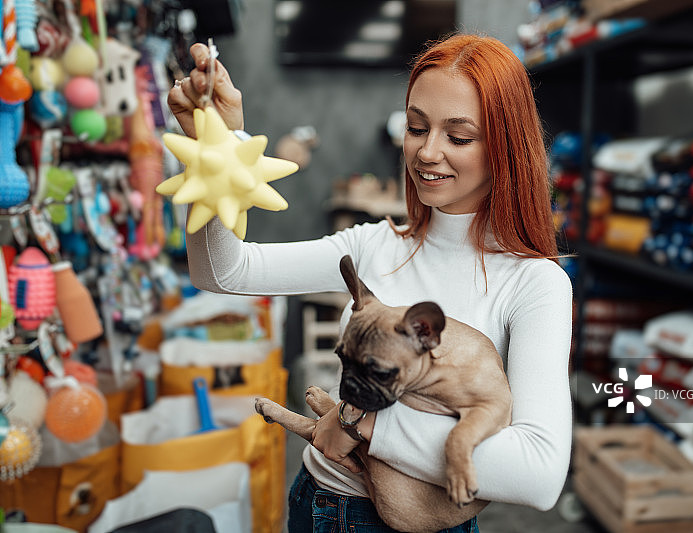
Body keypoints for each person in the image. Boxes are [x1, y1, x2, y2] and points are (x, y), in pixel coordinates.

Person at [168, 33, 573, 533]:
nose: (427, 152)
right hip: (311, 497)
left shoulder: (535, 284)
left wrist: (362, 423)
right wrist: (214, 147)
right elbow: (222, 272)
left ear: (506, 147)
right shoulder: (373, 245)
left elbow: (538, 475)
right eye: (416, 128)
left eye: (459, 137)